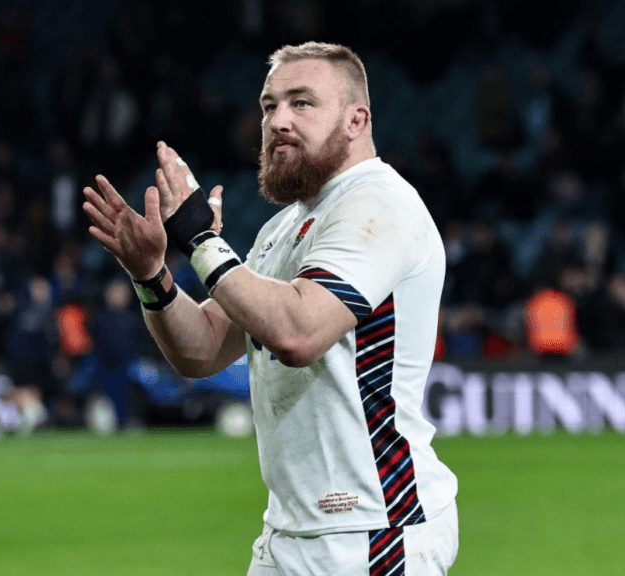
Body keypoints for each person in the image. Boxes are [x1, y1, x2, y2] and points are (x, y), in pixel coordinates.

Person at [83, 42, 458, 575]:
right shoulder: (284, 227)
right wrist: (152, 276)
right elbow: (204, 348)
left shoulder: (379, 204)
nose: (278, 120)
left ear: (357, 119)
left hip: (371, 531)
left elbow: (298, 334)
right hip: (290, 531)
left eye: (302, 103)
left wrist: (200, 241)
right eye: (269, 106)